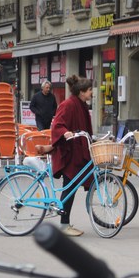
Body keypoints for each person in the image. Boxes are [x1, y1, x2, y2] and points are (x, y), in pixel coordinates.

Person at [50, 75, 93, 237]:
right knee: (69, 187)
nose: (91, 93)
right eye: (89, 90)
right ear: (82, 92)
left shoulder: (80, 104)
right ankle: (63, 224)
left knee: (72, 187)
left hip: (78, 151)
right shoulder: (68, 105)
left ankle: (65, 222)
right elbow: (58, 125)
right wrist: (65, 132)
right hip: (70, 153)